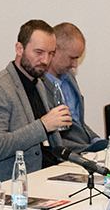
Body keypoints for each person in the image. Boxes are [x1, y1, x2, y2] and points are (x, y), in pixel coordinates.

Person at [0, 19, 72, 177]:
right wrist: (43, 126)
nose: (46, 60)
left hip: (49, 171)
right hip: (17, 181)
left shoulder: (38, 83)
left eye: (51, 54)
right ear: (19, 49)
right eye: (39, 52)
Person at [45, 22, 104, 151]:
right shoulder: (39, 86)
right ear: (54, 50)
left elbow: (79, 123)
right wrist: (88, 149)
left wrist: (96, 140)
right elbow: (52, 137)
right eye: (72, 58)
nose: (75, 65)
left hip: (86, 147)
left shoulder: (69, 77)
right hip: (68, 153)